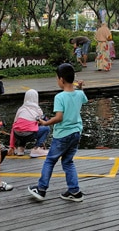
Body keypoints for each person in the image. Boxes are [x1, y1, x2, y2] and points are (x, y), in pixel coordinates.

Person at [28, 63, 88, 202]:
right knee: (68, 162)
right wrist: (80, 87)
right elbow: (83, 99)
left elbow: (59, 117)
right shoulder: (79, 94)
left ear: (61, 79)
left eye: (57, 78)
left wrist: (45, 123)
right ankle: (74, 191)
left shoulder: (60, 97)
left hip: (62, 135)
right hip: (76, 133)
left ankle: (41, 189)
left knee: (50, 161)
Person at [9, 89, 50, 157]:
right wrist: (41, 143)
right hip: (29, 135)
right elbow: (42, 123)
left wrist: (11, 146)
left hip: (17, 134)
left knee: (22, 127)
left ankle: (20, 148)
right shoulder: (38, 110)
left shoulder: (20, 109)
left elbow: (14, 126)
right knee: (46, 128)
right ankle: (37, 148)